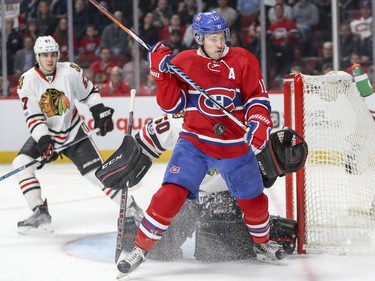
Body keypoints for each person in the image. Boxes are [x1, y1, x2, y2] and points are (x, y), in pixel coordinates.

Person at [117, 10, 287, 276]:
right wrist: (160, 73)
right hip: (195, 143)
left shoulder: (244, 60)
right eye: (213, 38)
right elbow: (172, 105)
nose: (220, 43)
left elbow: (257, 99)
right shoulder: (184, 62)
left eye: (222, 37)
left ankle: (262, 245)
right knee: (169, 195)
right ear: (199, 38)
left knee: (253, 200)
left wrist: (259, 122)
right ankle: (140, 249)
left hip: (234, 145)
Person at [12, 36, 141, 234]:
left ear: (58, 55)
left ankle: (132, 207)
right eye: (45, 55)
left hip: (74, 133)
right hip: (47, 135)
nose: (50, 59)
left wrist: (99, 111)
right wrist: (44, 141)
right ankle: (40, 212)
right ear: (38, 57)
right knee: (21, 163)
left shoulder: (70, 71)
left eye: (53, 54)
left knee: (98, 175)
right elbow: (34, 117)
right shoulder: (27, 81)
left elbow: (88, 93)